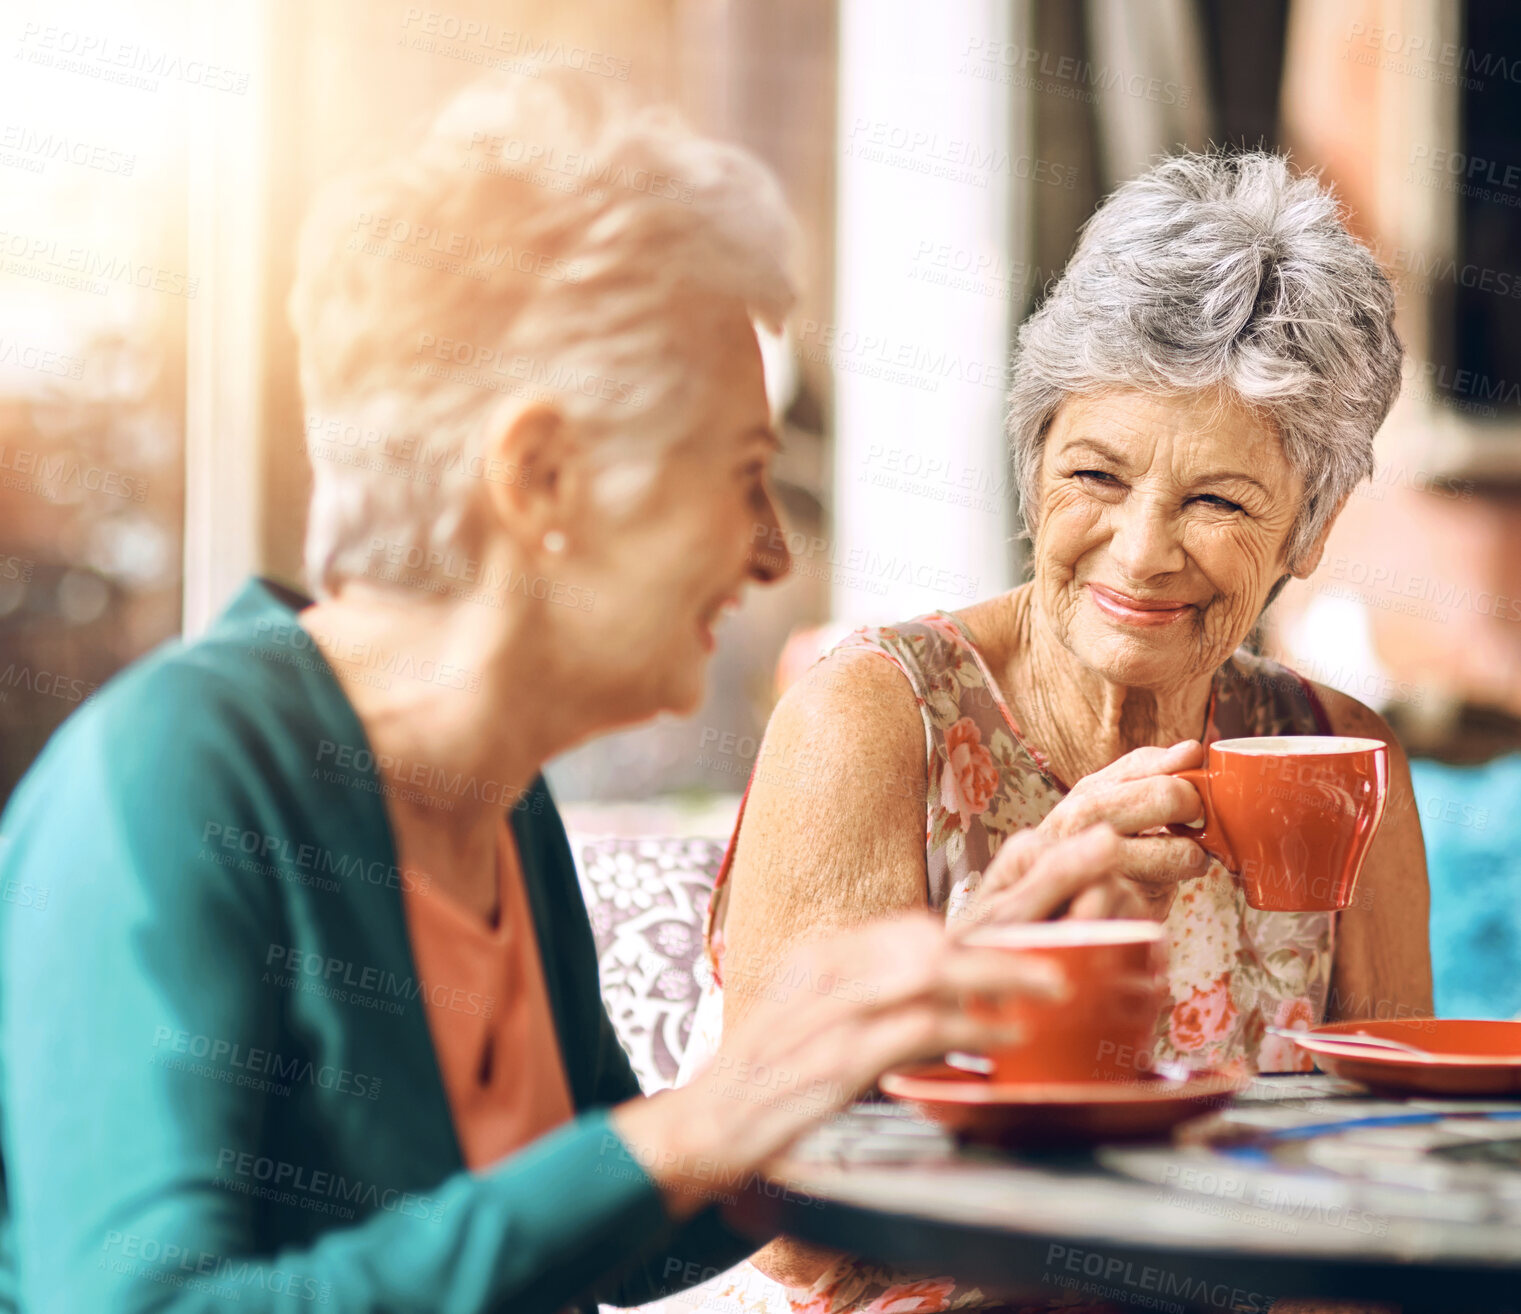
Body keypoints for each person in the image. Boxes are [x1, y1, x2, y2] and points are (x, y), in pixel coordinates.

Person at [0, 77, 1142, 1313]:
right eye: (742, 474)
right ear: (539, 477)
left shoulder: (500, 801)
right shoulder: (169, 779)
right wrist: (689, 1130)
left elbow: (614, 1221)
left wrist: (917, 1014)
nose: (769, 550)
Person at [666, 151, 1435, 1313]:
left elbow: (1403, 1177)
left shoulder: (1339, 755)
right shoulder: (874, 719)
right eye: (1096, 475)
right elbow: (780, 1218)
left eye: (1218, 500)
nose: (1139, 551)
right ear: (1034, 469)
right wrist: (1008, 957)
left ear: (1309, 532)